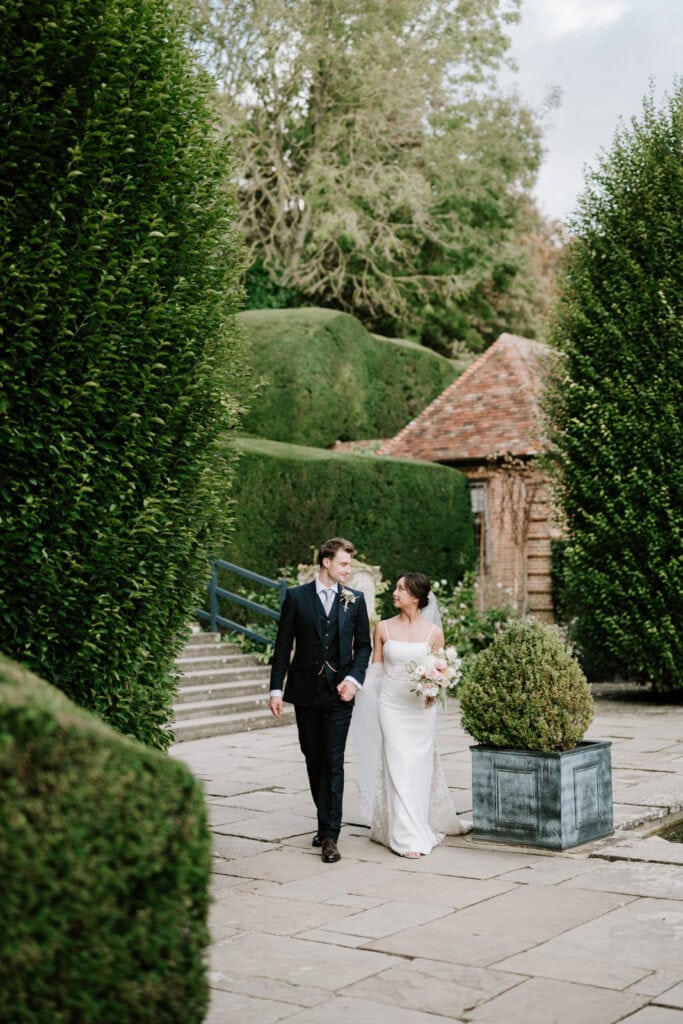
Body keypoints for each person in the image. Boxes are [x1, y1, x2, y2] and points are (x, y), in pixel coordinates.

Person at [269, 537, 371, 864]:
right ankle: (324, 817)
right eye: (344, 563)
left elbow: (364, 647)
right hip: (304, 691)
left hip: (339, 693)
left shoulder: (355, 600)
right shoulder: (296, 598)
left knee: (333, 759)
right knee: (313, 757)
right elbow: (283, 646)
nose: (348, 569)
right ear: (326, 562)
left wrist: (353, 680)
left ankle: (330, 835)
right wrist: (276, 690)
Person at [368, 572, 470, 857]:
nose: (395, 592)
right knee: (398, 764)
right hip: (390, 705)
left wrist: (434, 688)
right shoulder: (383, 628)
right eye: (396, 588)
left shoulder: (433, 632)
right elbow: (375, 671)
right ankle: (405, 837)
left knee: (418, 767)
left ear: (415, 596)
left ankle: (416, 823)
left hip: (420, 710)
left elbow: (442, 669)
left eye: (400, 589)